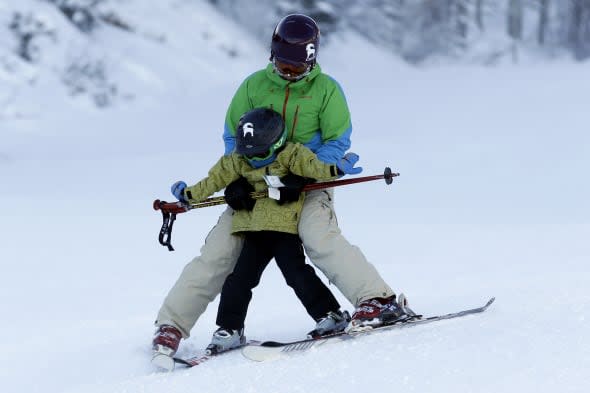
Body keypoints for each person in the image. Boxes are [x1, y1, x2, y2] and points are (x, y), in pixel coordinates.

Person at [152, 14, 407, 360]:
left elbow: (336, 141)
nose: (288, 72)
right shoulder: (253, 85)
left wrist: (303, 177)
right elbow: (234, 136)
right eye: (283, 65)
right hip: (256, 186)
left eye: (296, 68)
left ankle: (378, 301)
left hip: (308, 182)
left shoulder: (327, 90)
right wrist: (239, 178)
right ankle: (171, 325)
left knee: (318, 236)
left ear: (312, 59)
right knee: (219, 250)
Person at [175, 108, 353, 354]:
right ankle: (230, 329)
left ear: (276, 142)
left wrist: (337, 169)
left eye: (261, 154)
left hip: (284, 228)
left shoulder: (292, 154)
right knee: (238, 280)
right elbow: (213, 180)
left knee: (296, 274)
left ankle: (330, 315)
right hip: (253, 229)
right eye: (249, 155)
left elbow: (315, 167)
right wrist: (188, 195)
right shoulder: (237, 160)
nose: (254, 160)